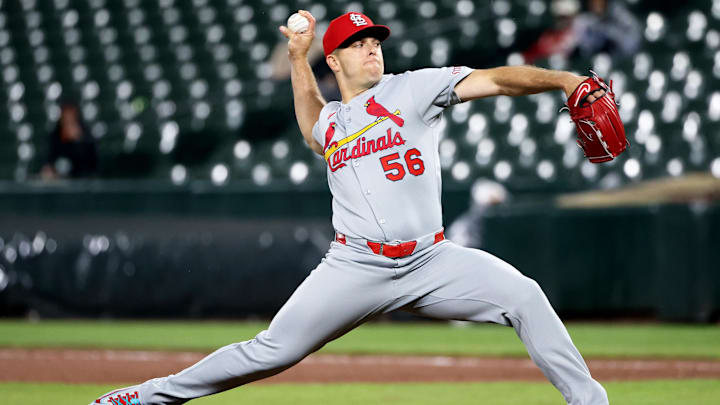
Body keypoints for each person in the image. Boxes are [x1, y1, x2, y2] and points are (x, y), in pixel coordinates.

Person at [90, 10, 609, 405]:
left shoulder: (415, 90)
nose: (370, 50)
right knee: (271, 351)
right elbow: (310, 120)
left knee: (525, 296)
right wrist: (298, 56)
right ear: (333, 60)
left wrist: (563, 81)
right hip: (356, 265)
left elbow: (497, 79)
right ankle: (143, 397)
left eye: (373, 42)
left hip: (432, 261)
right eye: (356, 45)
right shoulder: (333, 122)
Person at [41, 100, 98, 180]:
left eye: (71, 117)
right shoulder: (54, 136)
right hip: (58, 184)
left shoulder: (86, 137)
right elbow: (48, 161)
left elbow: (91, 165)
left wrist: (78, 141)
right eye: (65, 117)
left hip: (82, 183)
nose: (68, 120)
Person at [572, 0, 641, 59]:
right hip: (596, 62)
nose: (596, 3)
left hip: (620, 59)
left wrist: (610, 32)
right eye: (593, 1)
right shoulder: (583, 21)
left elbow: (632, 44)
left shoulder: (620, 15)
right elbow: (584, 49)